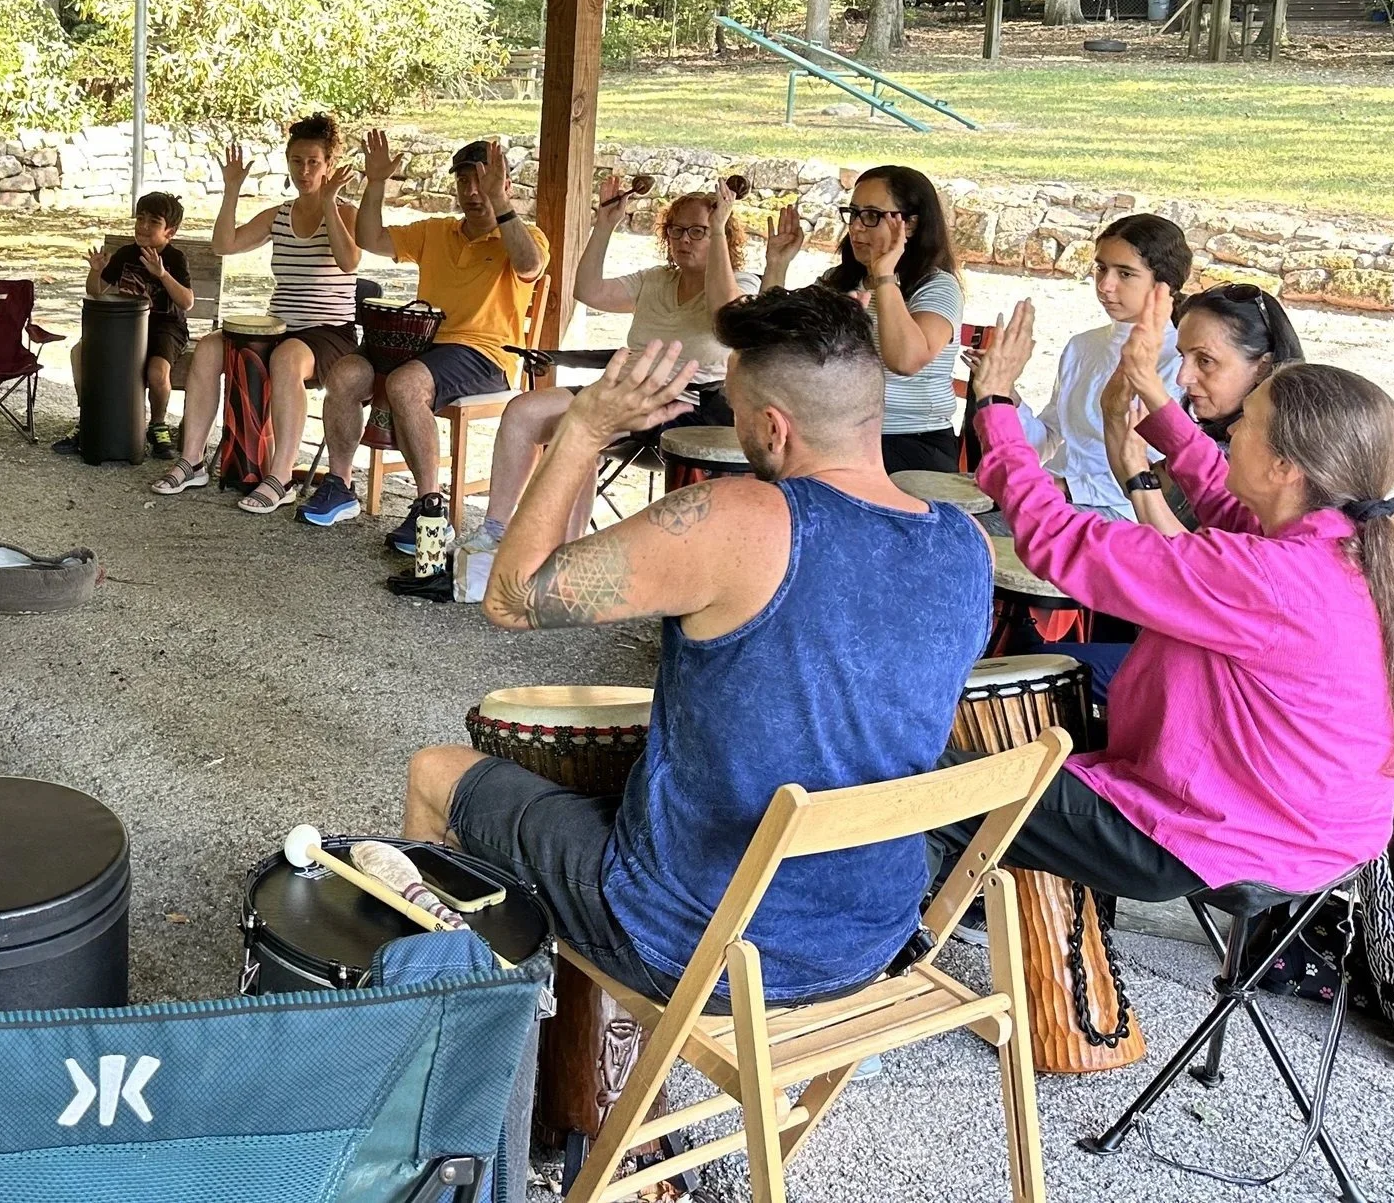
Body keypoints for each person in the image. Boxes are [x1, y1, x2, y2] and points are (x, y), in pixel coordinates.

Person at [401, 289, 992, 1004]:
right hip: (873, 936)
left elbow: (510, 597)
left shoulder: (739, 518)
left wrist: (583, 430)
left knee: (435, 773)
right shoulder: (968, 544)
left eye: (735, 411)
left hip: (698, 945)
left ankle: (436, 1021)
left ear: (773, 428)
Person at [942, 299, 1394, 906]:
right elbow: (1227, 505)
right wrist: (1156, 409)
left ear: (1285, 467)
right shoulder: (1351, 546)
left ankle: (889, 934)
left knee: (911, 788)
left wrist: (994, 405)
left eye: (1246, 422)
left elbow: (1060, 539)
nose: (1230, 433)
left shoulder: (1268, 578)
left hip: (1217, 836)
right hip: (1312, 836)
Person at [454, 174, 759, 590]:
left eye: (698, 232)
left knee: (579, 432)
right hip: (620, 390)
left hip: (683, 404)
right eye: (676, 230)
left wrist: (719, 228)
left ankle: (564, 559)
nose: (684, 240)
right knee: (523, 411)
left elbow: (725, 316)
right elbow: (589, 291)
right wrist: (604, 225)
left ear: (721, 233)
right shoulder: (656, 279)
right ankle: (495, 532)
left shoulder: (742, 283)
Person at [318, 133, 546, 553]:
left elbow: (530, 265)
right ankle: (340, 485)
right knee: (345, 373)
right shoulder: (437, 231)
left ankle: (431, 511)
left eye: (483, 181)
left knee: (406, 385)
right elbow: (370, 238)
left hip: (485, 355)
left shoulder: (527, 235)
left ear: (505, 184)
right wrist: (376, 182)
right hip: (421, 342)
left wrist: (501, 203)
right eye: (464, 181)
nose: (472, 191)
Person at [155, 116, 364, 515]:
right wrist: (232, 189)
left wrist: (330, 204)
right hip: (281, 326)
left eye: (314, 162)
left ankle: (281, 477)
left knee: (286, 358)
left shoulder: (346, 213)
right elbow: (224, 245)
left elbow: (349, 261)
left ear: (329, 165)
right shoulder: (278, 215)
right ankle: (192, 460)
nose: (305, 171)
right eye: (297, 161)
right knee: (210, 348)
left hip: (329, 332)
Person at [772, 164, 964, 474]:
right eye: (854, 213)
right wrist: (777, 264)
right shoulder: (838, 281)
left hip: (910, 440)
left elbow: (906, 360)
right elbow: (772, 340)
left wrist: (884, 275)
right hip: (839, 433)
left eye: (872, 215)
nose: (857, 227)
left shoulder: (937, 286)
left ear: (910, 225)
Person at [1018, 213, 1189, 520]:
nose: (1105, 285)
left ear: (1165, 284)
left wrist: (1067, 487)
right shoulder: (1082, 346)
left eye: (1125, 274)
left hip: (1120, 511)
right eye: (1101, 268)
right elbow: (1049, 437)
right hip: (1053, 494)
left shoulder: (1179, 362)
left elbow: (1157, 473)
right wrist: (1005, 393)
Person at [1104, 280, 1304, 537]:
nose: (1183, 378)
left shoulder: (1280, 459)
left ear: (1263, 366)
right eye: (1183, 357)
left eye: (1205, 361)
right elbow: (1144, 493)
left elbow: (1196, 554)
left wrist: (1151, 390)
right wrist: (1112, 412)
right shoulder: (1217, 433)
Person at [56, 191, 193, 459]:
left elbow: (187, 302)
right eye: (140, 219)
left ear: (170, 232)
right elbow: (96, 292)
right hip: (126, 327)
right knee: (79, 352)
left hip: (165, 328)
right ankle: (89, 418)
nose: (143, 226)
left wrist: (162, 275)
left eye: (153, 222)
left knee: (157, 373)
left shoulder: (175, 259)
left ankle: (157, 425)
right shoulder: (126, 254)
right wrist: (96, 270)